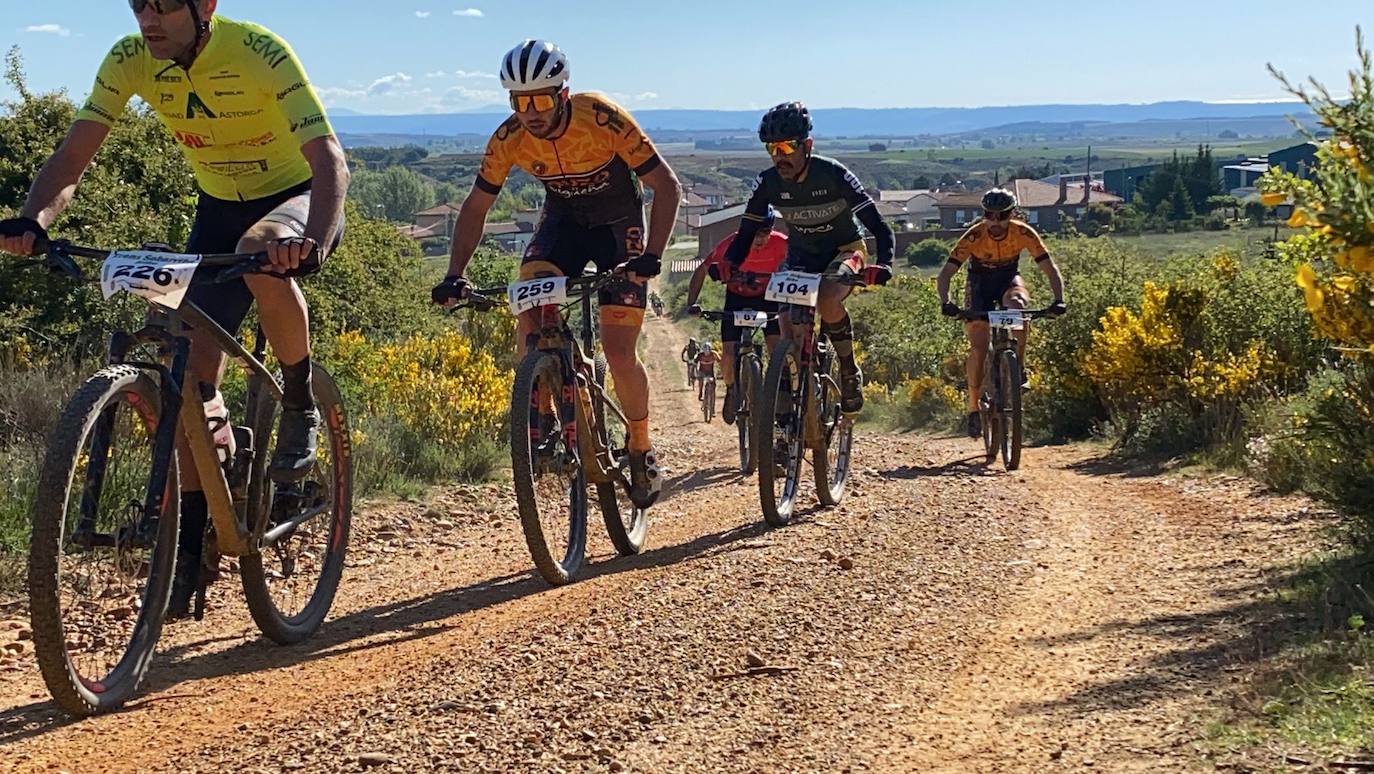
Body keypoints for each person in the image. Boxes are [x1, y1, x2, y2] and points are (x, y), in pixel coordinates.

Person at [0, 0, 348, 616]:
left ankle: (299, 401)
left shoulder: (258, 50)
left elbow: (329, 162)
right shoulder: (132, 59)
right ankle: (194, 538)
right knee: (189, 374)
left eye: (163, 5)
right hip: (217, 206)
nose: (148, 19)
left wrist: (314, 240)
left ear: (205, 6)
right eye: (139, 4)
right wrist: (34, 220)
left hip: (296, 199)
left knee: (261, 251)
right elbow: (73, 157)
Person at [430, 40, 681, 508]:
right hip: (563, 225)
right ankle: (543, 403)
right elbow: (477, 206)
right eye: (519, 101)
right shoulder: (508, 138)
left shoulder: (600, 117)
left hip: (617, 227)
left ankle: (642, 448)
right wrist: (454, 272)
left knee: (619, 350)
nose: (531, 112)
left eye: (541, 99)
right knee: (529, 302)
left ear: (563, 94)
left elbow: (666, 185)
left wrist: (652, 253)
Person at [722, 101, 894, 414]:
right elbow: (746, 231)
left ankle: (848, 369)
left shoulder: (833, 174)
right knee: (785, 322)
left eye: (787, 147)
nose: (779, 156)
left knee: (828, 300)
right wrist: (730, 263)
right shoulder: (768, 182)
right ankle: (789, 399)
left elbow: (879, 227)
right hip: (801, 255)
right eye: (771, 149)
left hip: (845, 250)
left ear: (807, 145)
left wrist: (885, 264)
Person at [936, 188, 1066, 438]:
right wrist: (946, 302)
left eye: (1002, 215)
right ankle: (973, 407)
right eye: (989, 215)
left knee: (1018, 306)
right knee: (979, 345)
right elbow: (945, 274)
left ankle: (1019, 366)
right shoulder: (974, 236)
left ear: (1012, 213)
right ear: (983, 214)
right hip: (979, 284)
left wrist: (1059, 300)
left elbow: (1050, 269)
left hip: (1008, 279)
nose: (995, 221)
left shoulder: (1023, 233)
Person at [685, 206, 787, 425]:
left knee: (776, 347)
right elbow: (702, 270)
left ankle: (777, 391)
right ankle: (732, 390)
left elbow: (802, 264)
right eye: (754, 234)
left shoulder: (782, 243)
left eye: (764, 233)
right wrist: (691, 303)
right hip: (736, 298)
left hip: (768, 297)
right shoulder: (730, 245)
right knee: (729, 353)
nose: (759, 239)